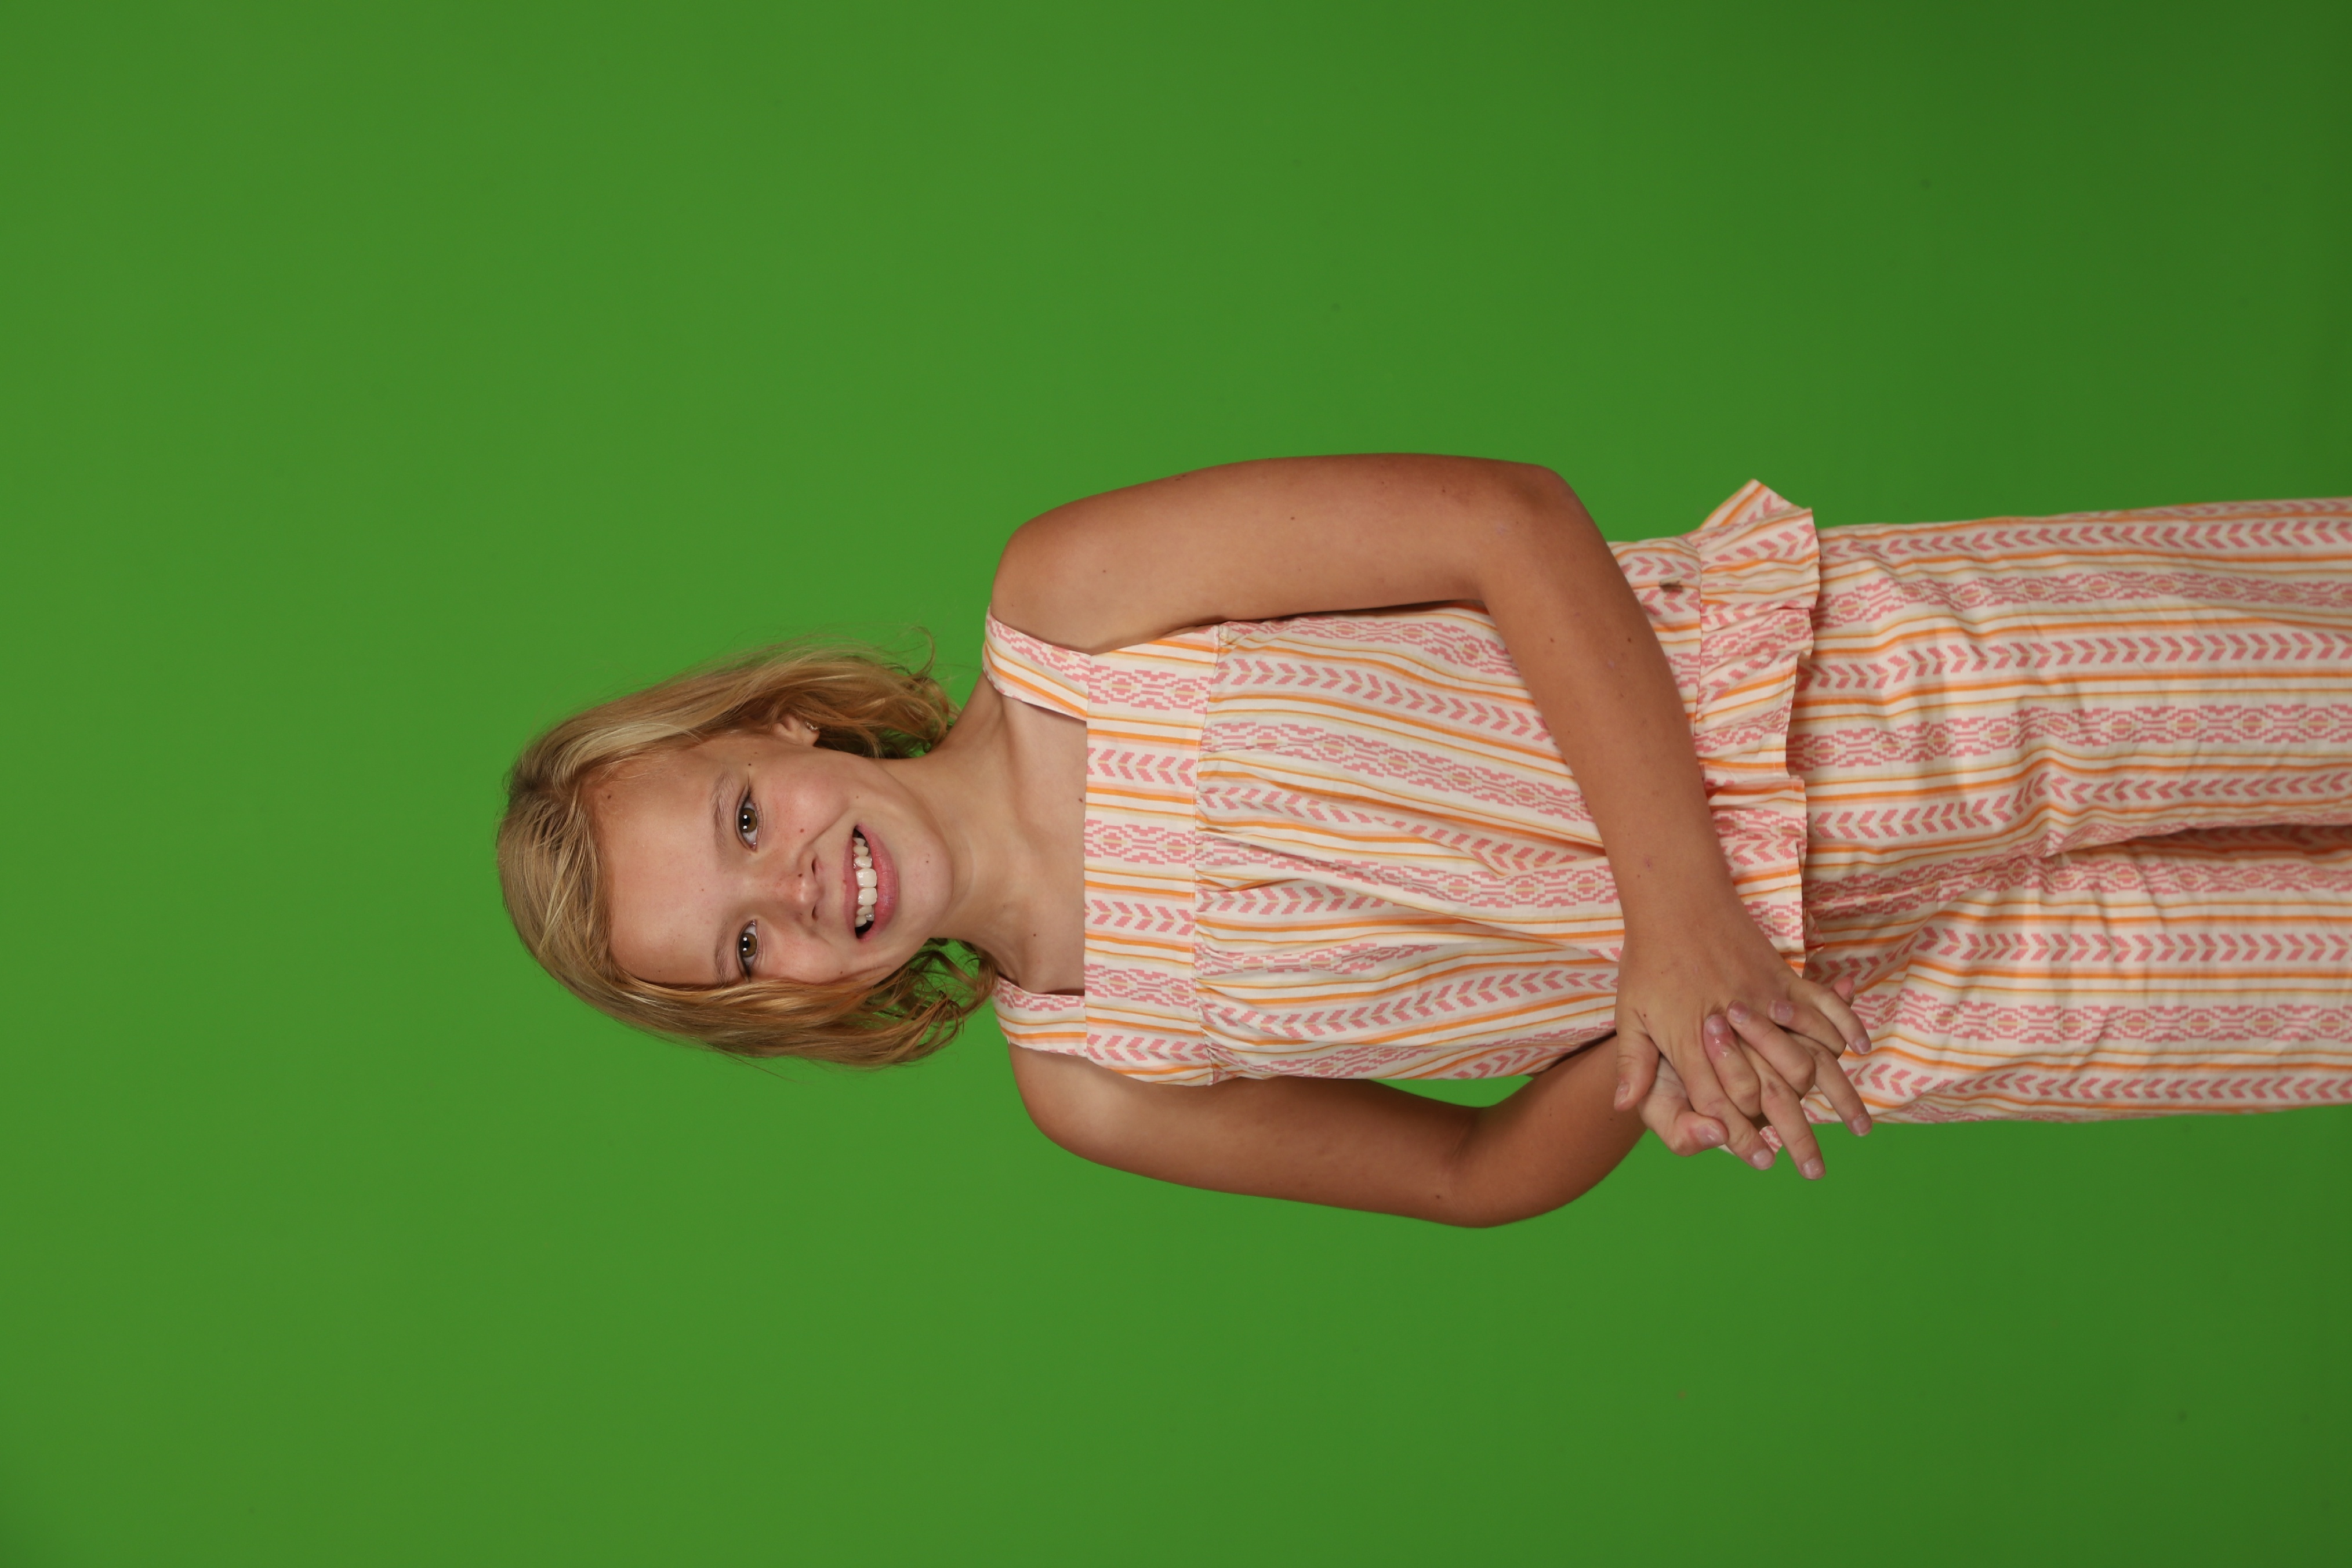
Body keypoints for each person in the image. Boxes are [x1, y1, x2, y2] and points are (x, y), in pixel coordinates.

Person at [498, 456, 2352, 1225]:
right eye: (745, 942)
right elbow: (1471, 1176)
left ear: (782, 728)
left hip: (1869, 700)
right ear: (780, 1005)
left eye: (747, 820)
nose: (796, 886)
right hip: (1856, 1006)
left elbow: (1506, 527)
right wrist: (1656, 1054)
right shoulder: (1097, 1082)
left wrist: (1679, 912)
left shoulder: (1073, 604)